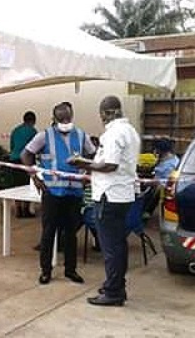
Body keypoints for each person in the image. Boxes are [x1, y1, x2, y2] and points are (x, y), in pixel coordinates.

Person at [70, 96, 141, 307]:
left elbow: (110, 165)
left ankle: (113, 292)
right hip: (122, 195)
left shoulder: (113, 134)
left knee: (111, 247)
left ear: (104, 114)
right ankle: (116, 285)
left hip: (109, 196)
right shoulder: (130, 131)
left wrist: (82, 163)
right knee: (118, 244)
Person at [22, 102, 94, 285]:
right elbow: (25, 155)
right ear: (54, 119)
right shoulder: (44, 136)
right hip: (52, 193)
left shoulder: (81, 135)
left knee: (71, 234)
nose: (66, 121)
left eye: (68, 118)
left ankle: (71, 270)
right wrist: (36, 178)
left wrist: (88, 174)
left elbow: (94, 156)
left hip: (74, 192)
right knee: (48, 233)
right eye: (62, 118)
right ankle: (46, 271)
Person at [9, 111, 37, 218]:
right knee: (27, 185)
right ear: (33, 121)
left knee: (17, 185)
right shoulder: (33, 131)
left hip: (14, 160)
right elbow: (35, 147)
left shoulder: (15, 130)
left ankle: (18, 210)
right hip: (26, 161)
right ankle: (26, 210)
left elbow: (12, 146)